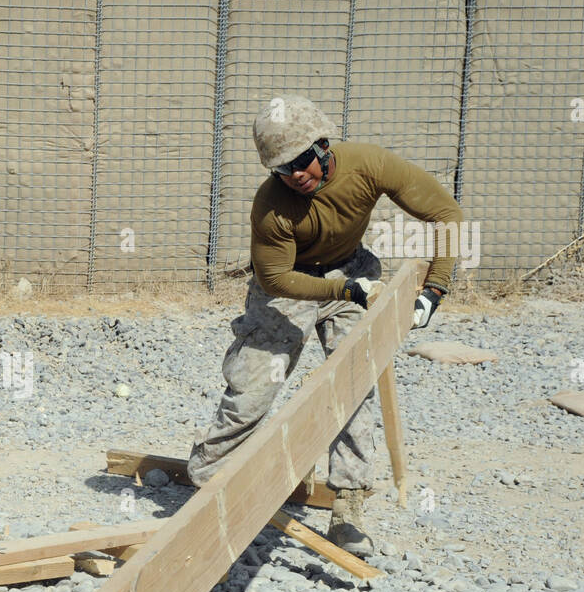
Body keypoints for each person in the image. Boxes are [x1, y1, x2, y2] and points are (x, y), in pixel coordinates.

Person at [186, 95, 463, 558]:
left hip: (351, 268)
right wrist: (344, 292)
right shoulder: (272, 206)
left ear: (322, 146)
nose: (295, 173)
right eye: (281, 168)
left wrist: (435, 290)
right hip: (289, 285)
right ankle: (208, 478)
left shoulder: (369, 165)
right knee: (253, 388)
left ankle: (347, 505)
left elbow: (446, 215)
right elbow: (275, 277)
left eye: (300, 160)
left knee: (354, 385)